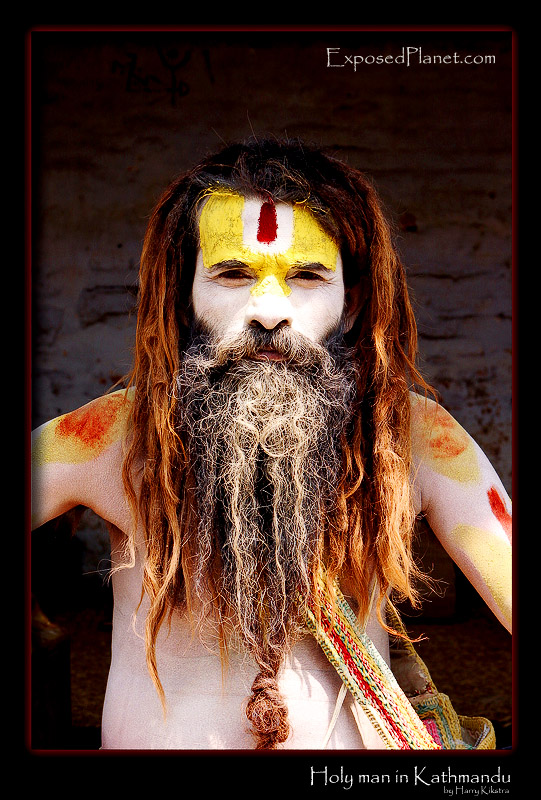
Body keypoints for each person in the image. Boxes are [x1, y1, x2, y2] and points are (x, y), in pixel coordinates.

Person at [31, 137, 512, 751]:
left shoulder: (410, 437)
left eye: (308, 275)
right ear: (184, 292)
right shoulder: (115, 439)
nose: (267, 310)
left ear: (353, 298)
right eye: (232, 274)